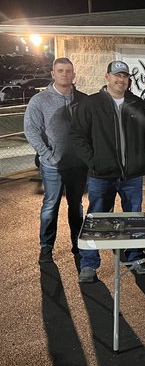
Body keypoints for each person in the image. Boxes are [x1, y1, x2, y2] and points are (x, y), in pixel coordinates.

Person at [69, 61, 145, 282]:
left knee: (134, 218)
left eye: (125, 76)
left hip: (132, 175)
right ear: (107, 76)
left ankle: (135, 256)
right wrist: (93, 162)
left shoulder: (137, 104)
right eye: (117, 75)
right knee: (96, 219)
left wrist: (142, 159)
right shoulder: (91, 104)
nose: (121, 80)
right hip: (102, 175)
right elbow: (77, 136)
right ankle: (89, 264)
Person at [23, 57, 89, 265]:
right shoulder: (39, 100)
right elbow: (31, 130)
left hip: (77, 166)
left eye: (69, 71)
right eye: (60, 70)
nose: (64, 74)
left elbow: (90, 129)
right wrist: (47, 154)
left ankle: (78, 245)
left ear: (74, 74)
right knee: (50, 206)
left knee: (76, 206)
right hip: (52, 165)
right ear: (53, 74)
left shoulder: (83, 100)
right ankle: (46, 247)